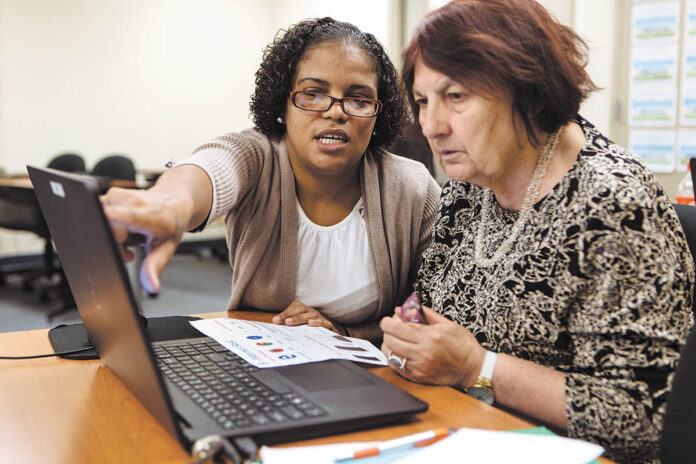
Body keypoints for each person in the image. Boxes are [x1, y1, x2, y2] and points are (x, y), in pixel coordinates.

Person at [379, 1, 694, 462]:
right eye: (424, 101)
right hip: (462, 430)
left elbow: (643, 416)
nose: (430, 125)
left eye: (456, 97)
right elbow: (429, 309)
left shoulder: (615, 205)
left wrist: (475, 366)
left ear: (526, 88)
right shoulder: (468, 189)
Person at [103, 17, 441, 344]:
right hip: (259, 370)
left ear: (377, 112)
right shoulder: (257, 156)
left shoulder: (412, 187)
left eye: (358, 99)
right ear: (284, 102)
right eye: (313, 93)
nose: (337, 112)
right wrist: (172, 204)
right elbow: (213, 165)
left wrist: (344, 334)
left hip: (373, 379)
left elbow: (428, 314)